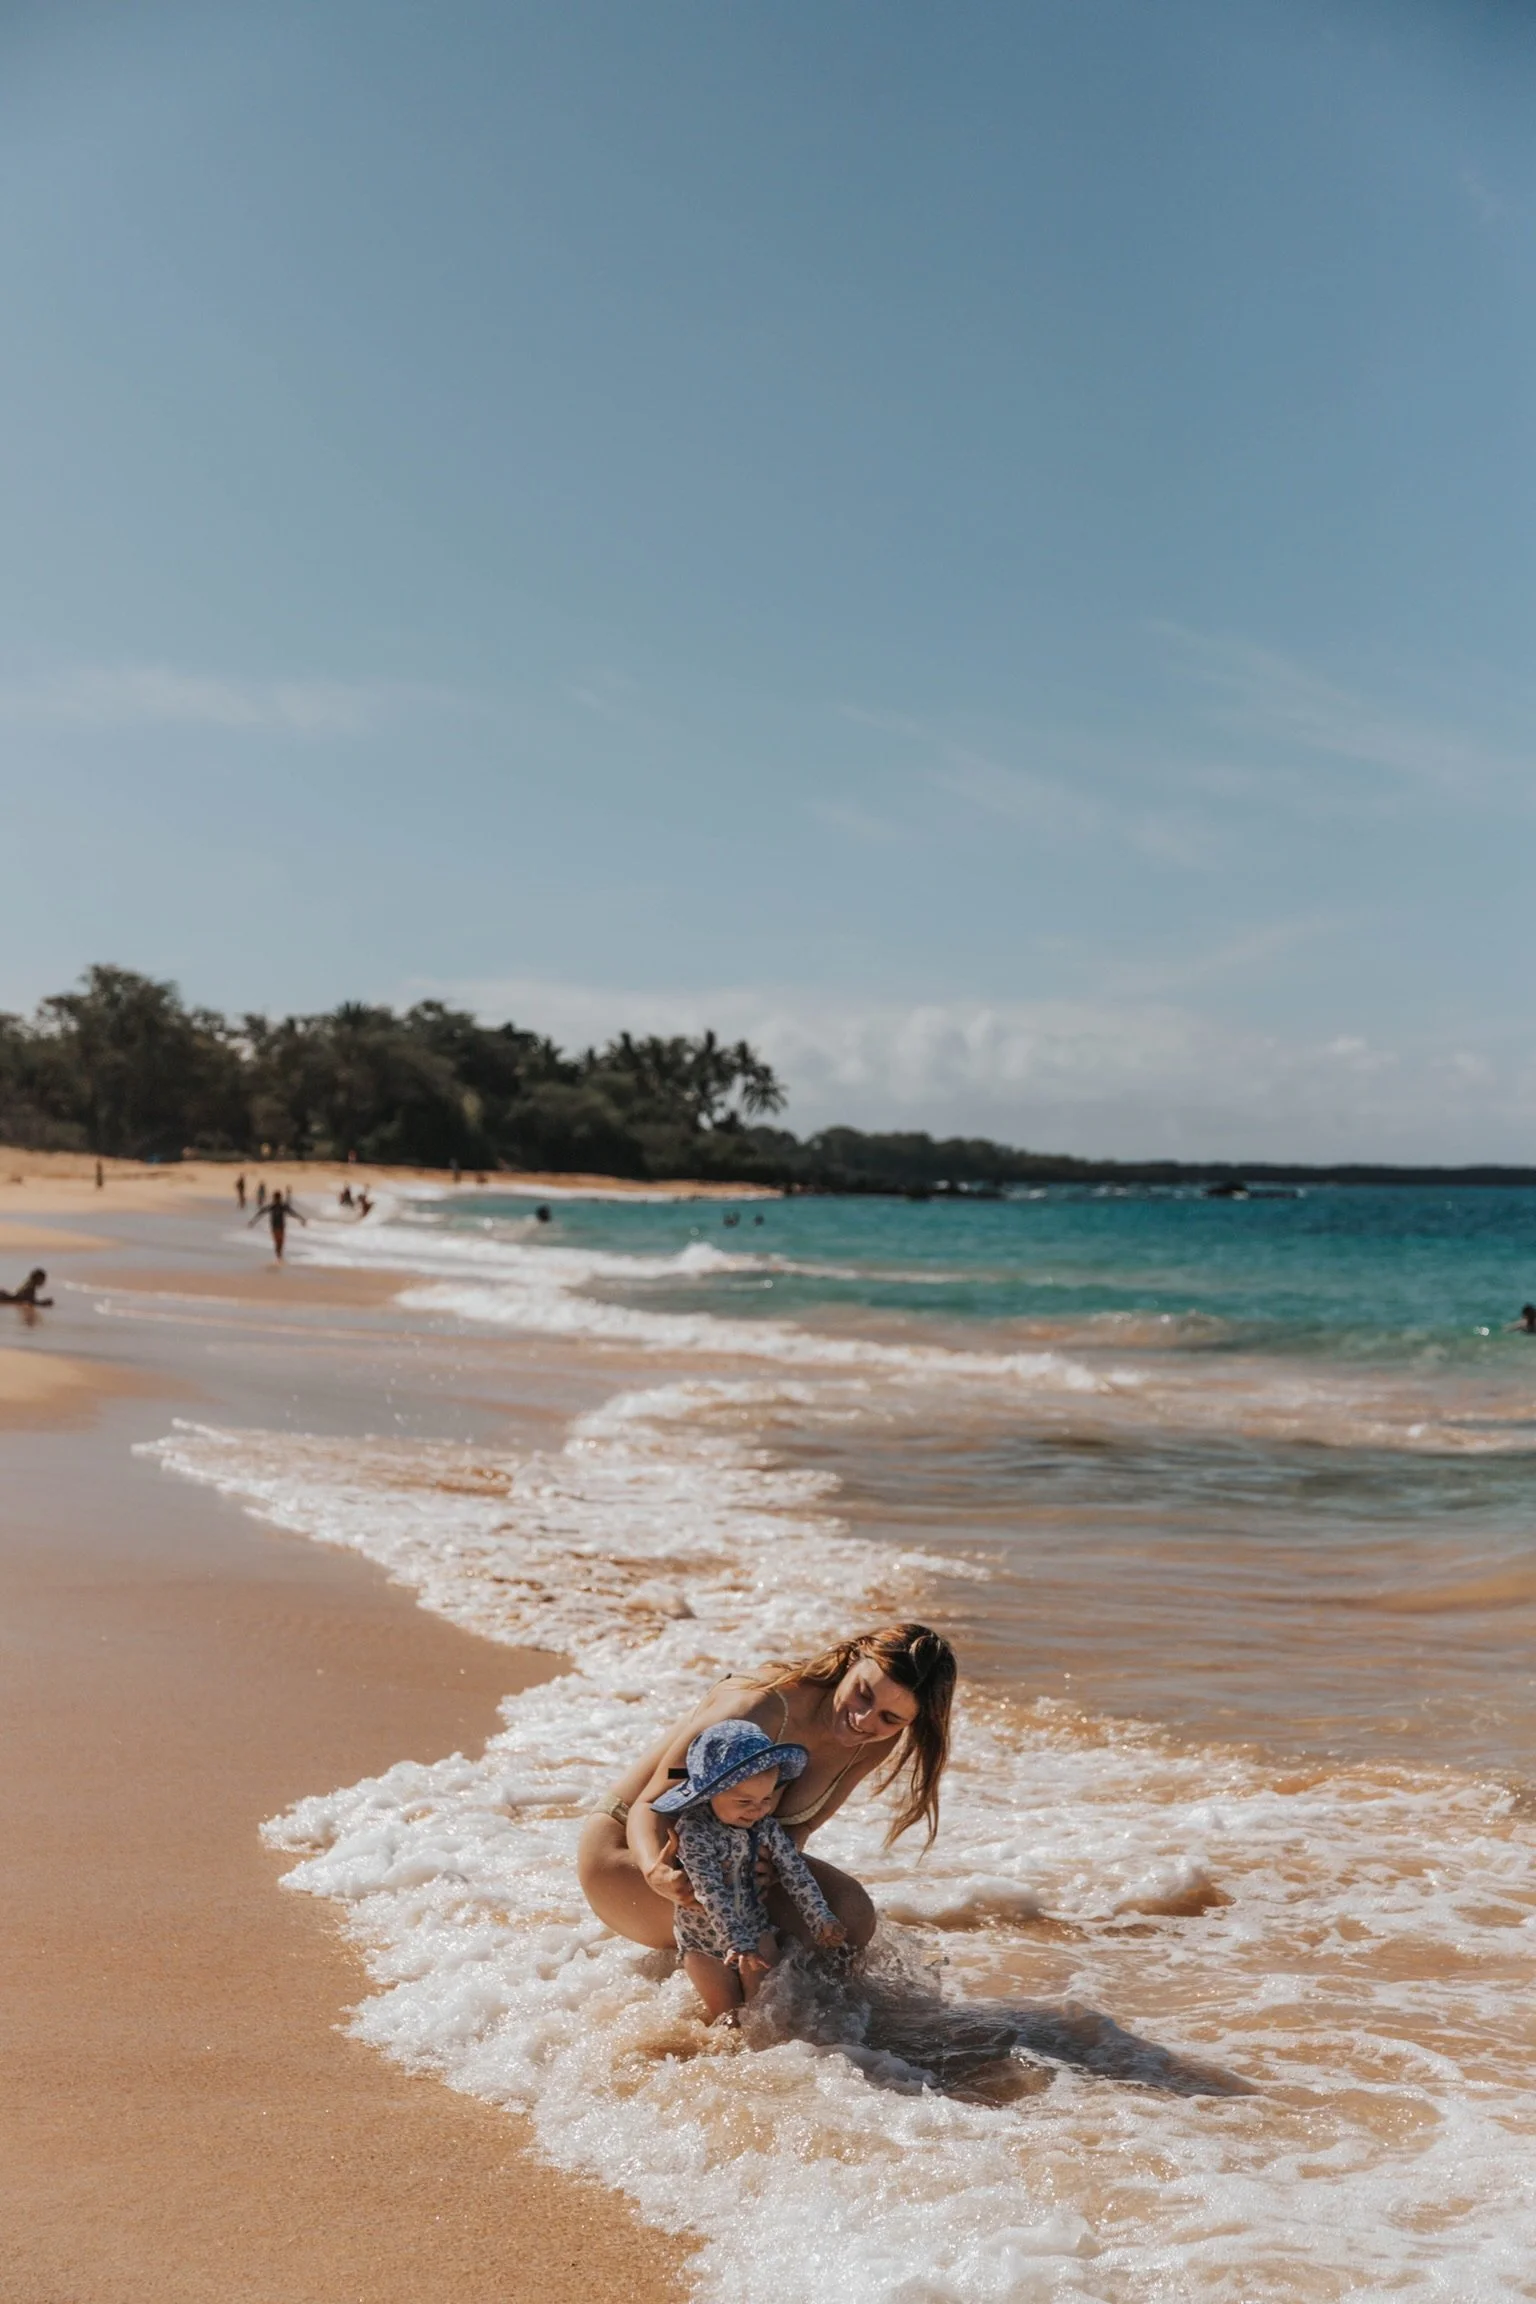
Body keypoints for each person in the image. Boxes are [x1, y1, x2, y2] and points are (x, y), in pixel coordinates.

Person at [578, 1623, 956, 1956]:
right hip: (627, 1852)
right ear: (853, 1659)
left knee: (850, 1916)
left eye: (891, 1717)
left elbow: (799, 1828)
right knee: (768, 1943)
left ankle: (838, 2035)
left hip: (721, 1854)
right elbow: (652, 1803)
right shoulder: (757, 1710)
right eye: (863, 1693)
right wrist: (655, 1873)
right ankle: (730, 2031)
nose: (862, 1719)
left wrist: (772, 1865)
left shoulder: (876, 1741)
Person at [657, 1720, 846, 2025]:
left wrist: (820, 1917)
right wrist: (736, 1942)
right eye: (744, 1801)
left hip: (755, 1929)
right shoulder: (694, 1832)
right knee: (728, 2021)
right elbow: (708, 1890)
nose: (757, 1810)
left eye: (766, 1800)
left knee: (764, 2016)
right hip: (702, 1941)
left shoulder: (764, 1826)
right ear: (711, 1793)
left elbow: (794, 1870)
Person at [249, 1188, 306, 1262]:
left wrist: (301, 1219)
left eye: (277, 1198)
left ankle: (279, 1256)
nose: (277, 1200)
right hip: (276, 1227)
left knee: (280, 1242)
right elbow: (261, 1212)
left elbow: (292, 1213)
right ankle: (279, 1257)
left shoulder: (281, 1206)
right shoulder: (273, 1206)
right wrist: (253, 1221)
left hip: (280, 1227)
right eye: (277, 1198)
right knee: (278, 1242)